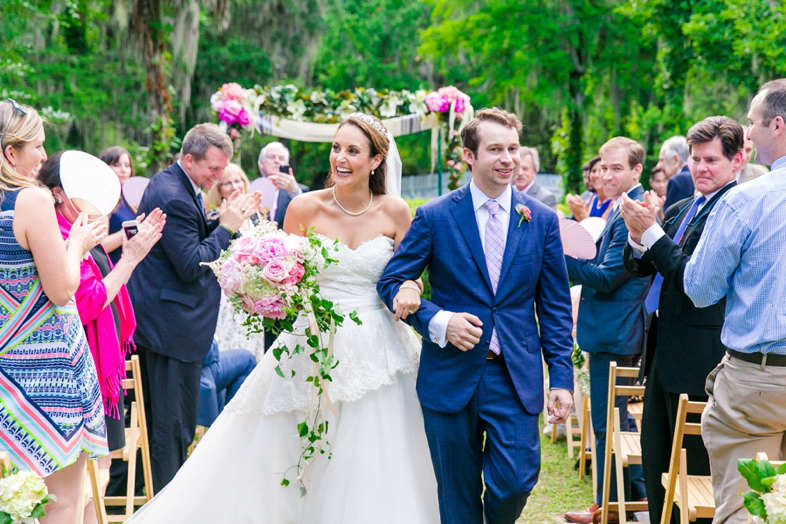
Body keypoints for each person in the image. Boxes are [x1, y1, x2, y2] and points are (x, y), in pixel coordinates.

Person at [127, 113, 439, 523]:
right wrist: (259, 287)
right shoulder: (304, 207)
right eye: (336, 147)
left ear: (376, 161)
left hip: (379, 345)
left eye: (352, 150)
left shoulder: (396, 211)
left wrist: (410, 289)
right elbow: (285, 275)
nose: (340, 158)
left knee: (375, 452)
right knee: (284, 449)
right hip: (310, 340)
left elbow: (408, 273)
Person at [378, 108, 574, 524]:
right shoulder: (434, 216)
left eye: (514, 149)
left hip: (513, 374)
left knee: (517, 481)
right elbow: (392, 281)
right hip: (449, 375)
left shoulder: (539, 220)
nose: (508, 159)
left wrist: (561, 379)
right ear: (469, 155)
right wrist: (438, 321)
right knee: (456, 494)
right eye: (496, 149)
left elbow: (555, 306)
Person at [127, 123, 262, 492]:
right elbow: (191, 266)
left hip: (168, 325)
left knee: (170, 428)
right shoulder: (173, 195)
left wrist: (219, 220)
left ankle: (163, 502)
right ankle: (168, 506)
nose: (218, 178)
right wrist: (228, 226)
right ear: (189, 159)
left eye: (222, 170)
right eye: (213, 170)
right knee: (172, 429)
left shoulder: (176, 183)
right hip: (171, 329)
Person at [621, 116, 742, 524]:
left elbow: (693, 279)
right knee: (656, 457)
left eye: (711, 160)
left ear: (736, 161)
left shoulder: (732, 211)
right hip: (659, 350)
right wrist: (638, 237)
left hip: (701, 357)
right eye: (695, 159)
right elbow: (640, 268)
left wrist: (652, 236)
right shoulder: (680, 208)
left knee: (693, 471)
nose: (701, 168)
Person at [37, 151, 166, 523]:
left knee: (101, 468)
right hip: (84, 366)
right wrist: (130, 260)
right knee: (90, 471)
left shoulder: (75, 229)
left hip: (97, 364)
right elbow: (88, 300)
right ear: (59, 192)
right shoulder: (60, 235)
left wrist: (129, 245)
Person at [0, 99, 109, 523]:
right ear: (11, 153)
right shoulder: (31, 200)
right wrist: (77, 245)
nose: (44, 157)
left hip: (6, 363)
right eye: (37, 147)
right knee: (59, 502)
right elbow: (62, 289)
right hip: (48, 369)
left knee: (11, 498)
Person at [683, 78, 786, 524]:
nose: (747, 133)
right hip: (757, 380)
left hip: (757, 382)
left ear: (777, 126)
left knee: (749, 511)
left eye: (752, 123)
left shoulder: (747, 200)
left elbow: (701, 289)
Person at [563, 137, 649, 524]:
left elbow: (608, 277)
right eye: (604, 167)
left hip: (616, 331)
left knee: (606, 424)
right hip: (611, 330)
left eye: (617, 168)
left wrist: (559, 259)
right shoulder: (620, 207)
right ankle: (634, 500)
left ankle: (609, 508)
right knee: (617, 422)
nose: (607, 174)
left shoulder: (634, 210)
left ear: (636, 171)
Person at [207, 163, 268, 358]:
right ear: (218, 189)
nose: (234, 186)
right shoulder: (216, 218)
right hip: (229, 298)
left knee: (253, 351)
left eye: (238, 180)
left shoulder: (258, 216)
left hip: (254, 295)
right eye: (227, 183)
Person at [196, 338, 256, 427]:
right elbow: (204, 354)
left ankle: (227, 422)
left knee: (245, 359)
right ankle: (230, 427)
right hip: (192, 372)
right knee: (247, 361)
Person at [99, 146, 138, 265]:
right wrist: (131, 230)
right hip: (112, 268)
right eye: (117, 164)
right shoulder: (102, 200)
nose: (124, 170)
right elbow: (100, 245)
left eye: (127, 165)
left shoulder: (132, 198)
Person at [257, 141, 310, 226]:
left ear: (286, 165)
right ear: (261, 163)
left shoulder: (300, 191)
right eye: (271, 157)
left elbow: (308, 217)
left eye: (281, 158)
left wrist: (295, 192)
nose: (277, 161)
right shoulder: (247, 188)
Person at [569, 155, 612, 221]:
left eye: (600, 171)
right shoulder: (594, 199)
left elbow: (602, 229)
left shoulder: (612, 202)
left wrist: (581, 213)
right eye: (593, 171)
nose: (596, 175)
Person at [660, 135, 694, 209]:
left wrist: (657, 207)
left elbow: (669, 219)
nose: (658, 166)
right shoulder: (693, 175)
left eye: (662, 160)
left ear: (676, 160)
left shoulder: (677, 181)